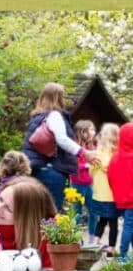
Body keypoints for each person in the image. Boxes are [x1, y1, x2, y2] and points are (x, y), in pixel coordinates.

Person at [22, 82, 95, 210]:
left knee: (38, 212)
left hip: (37, 169)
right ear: (58, 97)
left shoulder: (37, 116)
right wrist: (84, 152)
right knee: (51, 213)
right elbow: (62, 139)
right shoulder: (54, 115)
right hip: (51, 170)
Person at [90, 122, 119, 253]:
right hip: (112, 195)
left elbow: (91, 172)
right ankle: (111, 247)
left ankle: (96, 242)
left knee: (101, 220)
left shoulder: (96, 154)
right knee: (113, 223)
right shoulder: (117, 155)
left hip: (98, 194)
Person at [107, 122, 133, 258]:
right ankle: (123, 254)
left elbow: (110, 178)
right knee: (129, 226)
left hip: (120, 199)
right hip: (131, 199)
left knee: (130, 224)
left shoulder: (115, 157)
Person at [70, 119, 96, 234]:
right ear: (83, 132)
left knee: (94, 211)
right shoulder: (74, 146)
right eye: (91, 129)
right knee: (77, 212)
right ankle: (76, 238)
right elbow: (72, 165)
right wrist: (86, 165)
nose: (94, 132)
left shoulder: (92, 146)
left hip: (89, 184)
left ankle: (92, 238)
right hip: (77, 184)